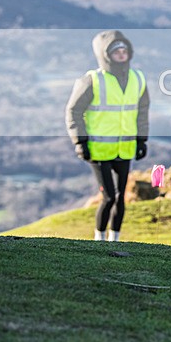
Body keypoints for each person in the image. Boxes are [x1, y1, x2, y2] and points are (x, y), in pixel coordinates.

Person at [66, 31, 149, 242]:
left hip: (125, 148)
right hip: (98, 150)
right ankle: (99, 239)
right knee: (108, 197)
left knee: (121, 197)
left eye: (124, 50)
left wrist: (142, 139)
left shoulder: (138, 79)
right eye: (116, 51)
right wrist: (80, 141)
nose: (121, 54)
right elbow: (73, 111)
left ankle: (115, 239)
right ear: (105, 55)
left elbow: (142, 111)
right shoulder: (92, 80)